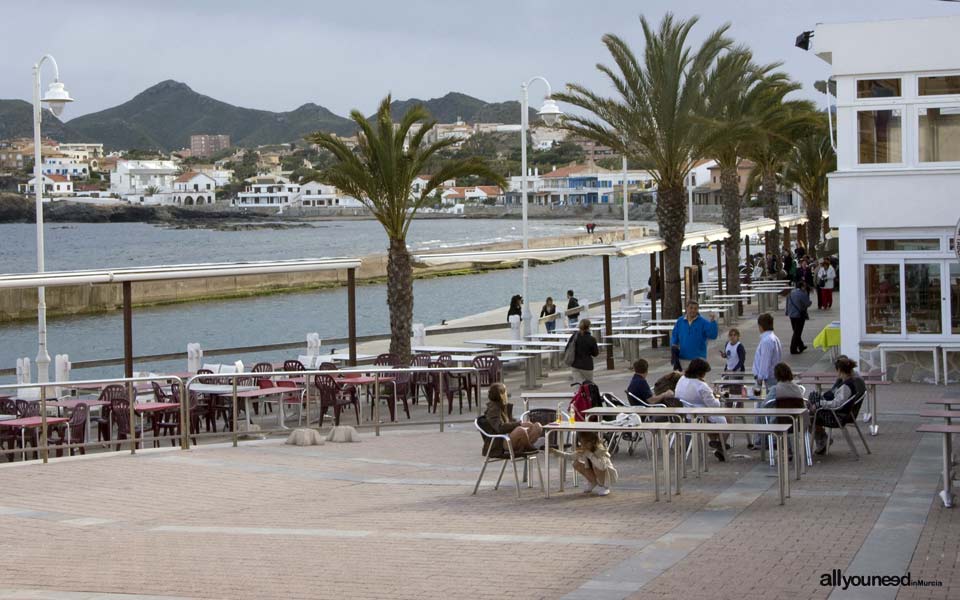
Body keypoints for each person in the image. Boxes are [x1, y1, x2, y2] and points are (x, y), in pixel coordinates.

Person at [674, 358, 728, 461]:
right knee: (728, 419)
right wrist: (717, 397)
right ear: (701, 372)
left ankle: (715, 442)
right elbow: (714, 405)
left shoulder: (682, 379)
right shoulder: (702, 386)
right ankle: (721, 446)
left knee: (712, 420)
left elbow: (677, 394)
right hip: (700, 415)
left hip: (685, 414)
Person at [810, 357, 866, 454]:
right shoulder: (848, 382)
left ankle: (822, 439)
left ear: (839, 370)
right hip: (839, 413)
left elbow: (837, 404)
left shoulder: (846, 386)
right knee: (812, 405)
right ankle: (822, 438)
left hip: (837, 416)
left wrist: (820, 404)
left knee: (809, 418)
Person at [481, 383, 543, 456]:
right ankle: (528, 447)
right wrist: (518, 424)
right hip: (500, 442)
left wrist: (520, 424)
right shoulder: (493, 409)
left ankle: (525, 446)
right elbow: (500, 428)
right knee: (520, 430)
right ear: (500, 394)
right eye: (505, 391)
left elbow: (511, 422)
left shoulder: (504, 406)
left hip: (509, 436)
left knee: (537, 426)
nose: (506, 393)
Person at [670, 301, 719, 371]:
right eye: (691, 308)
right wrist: (673, 346)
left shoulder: (703, 322)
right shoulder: (680, 321)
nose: (693, 310)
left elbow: (713, 335)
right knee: (684, 381)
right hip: (683, 359)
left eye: (695, 308)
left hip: (698, 360)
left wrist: (713, 322)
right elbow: (674, 335)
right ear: (686, 308)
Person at [568, 431, 618, 496]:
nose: (583, 445)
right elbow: (570, 456)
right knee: (576, 464)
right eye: (581, 443)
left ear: (592, 442)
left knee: (596, 465)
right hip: (596, 470)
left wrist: (590, 455)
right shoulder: (586, 449)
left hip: (606, 474)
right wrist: (556, 452)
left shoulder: (600, 450)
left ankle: (605, 487)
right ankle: (592, 482)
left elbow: (602, 466)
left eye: (585, 443)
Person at [752, 312, 782, 392]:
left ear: (761, 326)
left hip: (768, 379)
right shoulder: (774, 338)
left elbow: (764, 361)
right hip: (771, 376)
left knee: (767, 402)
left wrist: (760, 378)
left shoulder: (767, 341)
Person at [785, 282, 812, 355]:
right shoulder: (802, 294)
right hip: (799, 315)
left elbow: (787, 303)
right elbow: (808, 303)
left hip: (791, 315)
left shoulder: (791, 292)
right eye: (805, 286)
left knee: (795, 330)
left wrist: (787, 312)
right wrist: (808, 296)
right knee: (797, 332)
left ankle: (801, 345)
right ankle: (793, 349)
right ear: (802, 287)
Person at [570, 318, 599, 383]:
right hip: (587, 365)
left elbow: (568, 348)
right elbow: (595, 353)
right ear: (589, 327)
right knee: (589, 386)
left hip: (575, 364)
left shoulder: (574, 336)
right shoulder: (591, 339)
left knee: (578, 385)